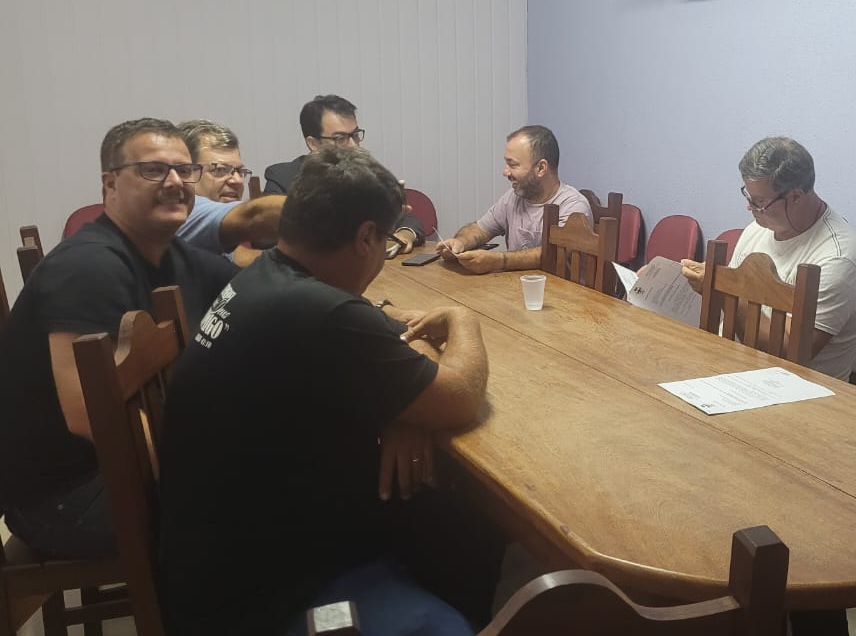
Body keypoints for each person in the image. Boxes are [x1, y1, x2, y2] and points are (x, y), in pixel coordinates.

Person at [159, 144, 490, 636]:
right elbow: (459, 397)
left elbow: (378, 335)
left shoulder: (270, 277)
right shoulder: (320, 312)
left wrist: (399, 407)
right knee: (465, 523)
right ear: (366, 237)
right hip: (261, 595)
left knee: (457, 522)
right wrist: (464, 319)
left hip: (232, 551)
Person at [0, 118, 239, 559]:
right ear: (109, 184)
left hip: (118, 469)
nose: (175, 182)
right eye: (153, 170)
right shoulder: (88, 268)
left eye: (184, 170)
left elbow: (257, 295)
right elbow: (91, 418)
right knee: (269, 494)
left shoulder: (172, 253)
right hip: (64, 495)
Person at [680, 137, 856, 381]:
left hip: (796, 388)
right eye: (748, 197)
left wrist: (722, 290)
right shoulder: (759, 228)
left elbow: (789, 354)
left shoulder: (838, 258)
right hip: (731, 367)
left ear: (796, 197)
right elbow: (733, 304)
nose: (750, 208)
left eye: (759, 202)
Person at [263, 94, 424, 252]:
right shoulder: (283, 179)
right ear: (313, 143)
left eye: (355, 135)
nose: (353, 145)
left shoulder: (366, 175)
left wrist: (404, 235)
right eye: (340, 138)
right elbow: (268, 240)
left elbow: (406, 218)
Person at [435, 125, 591, 274]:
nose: (505, 172)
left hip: (562, 291)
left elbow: (554, 254)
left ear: (541, 168)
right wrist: (460, 242)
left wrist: (498, 261)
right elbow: (481, 229)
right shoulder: (513, 197)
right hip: (516, 287)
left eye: (513, 165)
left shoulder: (574, 206)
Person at [176, 119, 284, 264]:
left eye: (239, 171)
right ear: (185, 173)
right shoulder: (185, 212)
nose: (237, 181)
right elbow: (255, 215)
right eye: (220, 170)